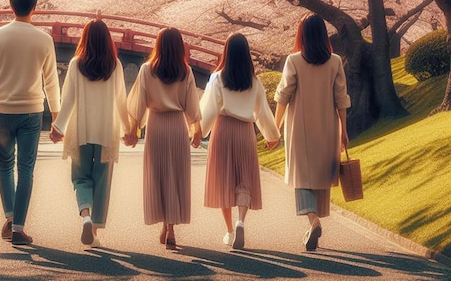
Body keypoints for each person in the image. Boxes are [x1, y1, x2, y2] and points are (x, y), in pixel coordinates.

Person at [0, 0, 61, 245]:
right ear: (34, 7)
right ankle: (18, 228)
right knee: (26, 168)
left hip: (2, 110)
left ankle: (10, 217)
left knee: (5, 165)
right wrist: (56, 117)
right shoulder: (44, 39)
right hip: (32, 112)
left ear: (11, 6)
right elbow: (51, 82)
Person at [49, 20, 134, 248]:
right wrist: (129, 129)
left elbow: (68, 100)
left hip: (81, 131)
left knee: (80, 178)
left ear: (84, 39)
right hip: (106, 132)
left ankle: (85, 215)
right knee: (102, 180)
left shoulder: (77, 64)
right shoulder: (114, 65)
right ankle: (94, 230)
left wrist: (58, 128)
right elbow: (121, 101)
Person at [274, 13, 351, 251]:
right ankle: (315, 222)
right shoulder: (335, 61)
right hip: (328, 127)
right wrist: (343, 131)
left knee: (301, 177)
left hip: (300, 129)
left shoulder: (294, 60)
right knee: (319, 177)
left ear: (302, 35)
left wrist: (275, 127)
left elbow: (283, 96)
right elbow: (341, 99)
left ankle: (313, 220)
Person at [200, 33, 280, 250]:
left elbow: (209, 109)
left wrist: (199, 132)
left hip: (224, 129)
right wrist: (272, 136)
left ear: (226, 52)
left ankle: (229, 231)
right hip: (246, 132)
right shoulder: (254, 82)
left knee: (224, 180)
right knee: (244, 180)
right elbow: (262, 111)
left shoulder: (217, 78)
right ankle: (241, 221)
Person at [127, 27, 202, 250]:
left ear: (157, 45)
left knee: (158, 174)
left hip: (156, 125)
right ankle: (170, 228)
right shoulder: (186, 71)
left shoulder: (147, 69)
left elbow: (139, 102)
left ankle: (164, 224)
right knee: (175, 175)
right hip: (178, 125)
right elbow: (192, 106)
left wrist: (133, 130)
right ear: (180, 47)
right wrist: (196, 129)